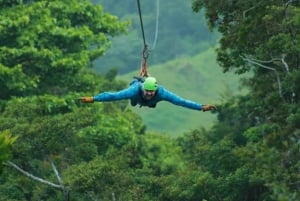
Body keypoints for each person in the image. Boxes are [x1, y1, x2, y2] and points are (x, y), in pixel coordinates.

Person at [79, 77, 216, 112]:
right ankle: (135, 101)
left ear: (156, 90)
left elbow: (181, 101)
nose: (150, 93)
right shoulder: (135, 90)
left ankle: (149, 103)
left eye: (152, 91)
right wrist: (93, 99)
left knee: (151, 103)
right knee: (131, 97)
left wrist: (200, 107)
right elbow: (113, 96)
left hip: (149, 102)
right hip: (136, 96)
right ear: (143, 88)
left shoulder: (161, 92)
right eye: (147, 91)